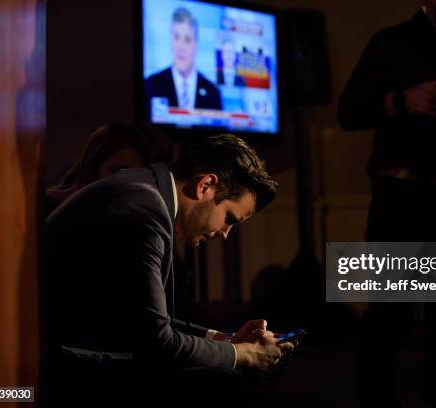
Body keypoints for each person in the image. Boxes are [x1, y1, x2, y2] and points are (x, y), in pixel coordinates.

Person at [43, 134, 294, 406]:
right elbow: (158, 344)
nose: (225, 234)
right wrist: (244, 354)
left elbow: (145, 321)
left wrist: (224, 340)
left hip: (78, 353)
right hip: (65, 368)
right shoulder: (143, 209)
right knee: (227, 385)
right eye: (229, 219)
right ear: (206, 185)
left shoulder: (145, 191)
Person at [338, 1, 436, 407]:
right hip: (400, 199)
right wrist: (399, 101)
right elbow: (348, 111)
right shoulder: (390, 42)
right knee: (389, 317)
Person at [45, 122, 152, 215]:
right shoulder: (50, 206)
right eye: (117, 171)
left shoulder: (135, 218)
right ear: (93, 167)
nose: (127, 183)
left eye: (135, 176)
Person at [144, 7, 222, 119]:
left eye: (187, 40)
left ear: (196, 45)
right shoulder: (151, 85)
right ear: (171, 40)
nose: (181, 47)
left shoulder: (213, 92)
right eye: (176, 37)